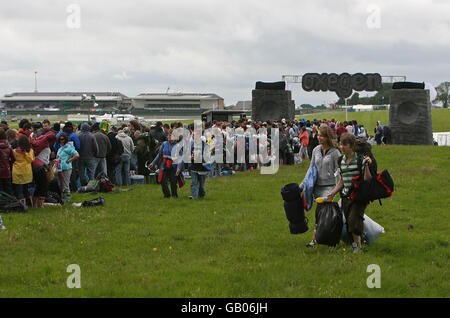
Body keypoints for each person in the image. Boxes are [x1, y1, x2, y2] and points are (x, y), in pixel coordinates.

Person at [327, 133, 374, 254]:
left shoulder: (359, 160)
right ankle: (359, 242)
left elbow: (368, 178)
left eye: (344, 145)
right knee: (349, 222)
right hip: (346, 196)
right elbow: (342, 180)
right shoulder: (340, 161)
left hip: (359, 196)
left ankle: (357, 248)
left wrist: (367, 165)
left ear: (352, 146)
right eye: (340, 144)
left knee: (354, 220)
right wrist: (333, 193)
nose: (341, 147)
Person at [305, 125, 341, 248]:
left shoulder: (335, 152)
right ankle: (320, 238)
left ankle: (325, 239)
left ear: (327, 137)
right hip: (317, 186)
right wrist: (303, 185)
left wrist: (337, 189)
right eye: (318, 135)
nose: (319, 137)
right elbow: (311, 169)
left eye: (321, 135)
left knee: (323, 212)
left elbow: (339, 171)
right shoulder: (316, 150)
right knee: (320, 214)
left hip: (329, 186)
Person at [149, 129, 183, 198]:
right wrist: (153, 163)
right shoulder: (164, 144)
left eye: (172, 135)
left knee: (173, 182)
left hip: (174, 166)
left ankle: (174, 195)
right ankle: (167, 195)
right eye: (169, 135)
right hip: (164, 165)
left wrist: (179, 168)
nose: (170, 137)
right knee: (162, 180)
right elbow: (159, 155)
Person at [56, 134, 80, 205]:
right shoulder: (60, 148)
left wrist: (69, 160)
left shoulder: (69, 147)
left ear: (65, 140)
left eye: (62, 139)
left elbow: (77, 155)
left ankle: (67, 200)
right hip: (60, 169)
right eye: (60, 139)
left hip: (66, 168)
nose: (61, 141)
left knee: (65, 184)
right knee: (60, 184)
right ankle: (62, 198)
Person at [12, 135, 35, 207]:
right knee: (26, 189)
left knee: (19, 190)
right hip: (27, 172)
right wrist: (25, 153)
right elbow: (31, 160)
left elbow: (11, 160)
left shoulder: (14, 151)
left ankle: (22, 206)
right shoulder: (30, 151)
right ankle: (30, 204)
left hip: (17, 172)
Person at [0, 128, 16, 196]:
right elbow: (14, 159)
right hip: (7, 170)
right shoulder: (9, 146)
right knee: (8, 189)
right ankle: (10, 203)